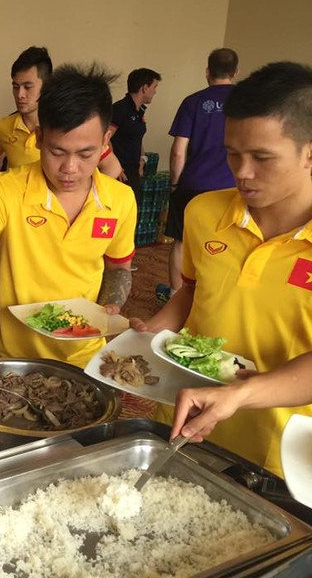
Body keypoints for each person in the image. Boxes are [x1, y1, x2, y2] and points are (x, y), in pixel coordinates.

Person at [132, 62, 312, 477]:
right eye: (232, 153)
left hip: (280, 451)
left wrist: (242, 393)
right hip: (186, 420)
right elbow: (194, 291)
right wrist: (151, 333)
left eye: (262, 157)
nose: (242, 172)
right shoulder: (204, 212)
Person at [0, 64, 136, 393]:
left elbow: (119, 268)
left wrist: (109, 306)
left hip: (85, 360)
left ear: (105, 140)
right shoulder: (5, 189)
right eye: (56, 151)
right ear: (39, 137)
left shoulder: (120, 199)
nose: (70, 168)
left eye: (86, 153)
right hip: (14, 362)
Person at [156, 49, 238, 303]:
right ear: (236, 73)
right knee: (226, 244)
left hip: (193, 184)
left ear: (207, 72)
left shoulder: (193, 102)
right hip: (230, 188)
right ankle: (213, 298)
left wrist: (175, 182)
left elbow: (179, 151)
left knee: (182, 241)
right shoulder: (246, 104)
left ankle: (175, 295)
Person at [0, 46, 122, 177]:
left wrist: (86, 197)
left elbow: (112, 167)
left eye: (28, 87)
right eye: (16, 87)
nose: (20, 94)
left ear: (46, 85)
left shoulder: (66, 125)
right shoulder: (4, 126)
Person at [110, 67, 161, 205]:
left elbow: (137, 138)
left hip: (133, 172)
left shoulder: (139, 111)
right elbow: (104, 138)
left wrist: (142, 160)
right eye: (154, 87)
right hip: (120, 174)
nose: (155, 92)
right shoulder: (120, 109)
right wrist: (114, 167)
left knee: (133, 210)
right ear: (145, 87)